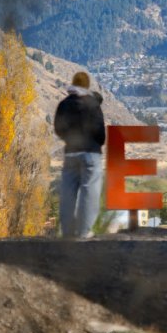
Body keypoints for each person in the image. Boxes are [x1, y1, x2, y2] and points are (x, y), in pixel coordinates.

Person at [54, 71, 106, 238]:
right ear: (87, 85)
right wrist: (97, 142)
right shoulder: (92, 104)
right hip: (90, 153)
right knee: (89, 192)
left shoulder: (63, 104)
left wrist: (69, 138)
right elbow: (100, 132)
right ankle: (84, 232)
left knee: (68, 193)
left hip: (71, 153)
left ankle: (68, 231)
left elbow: (58, 129)